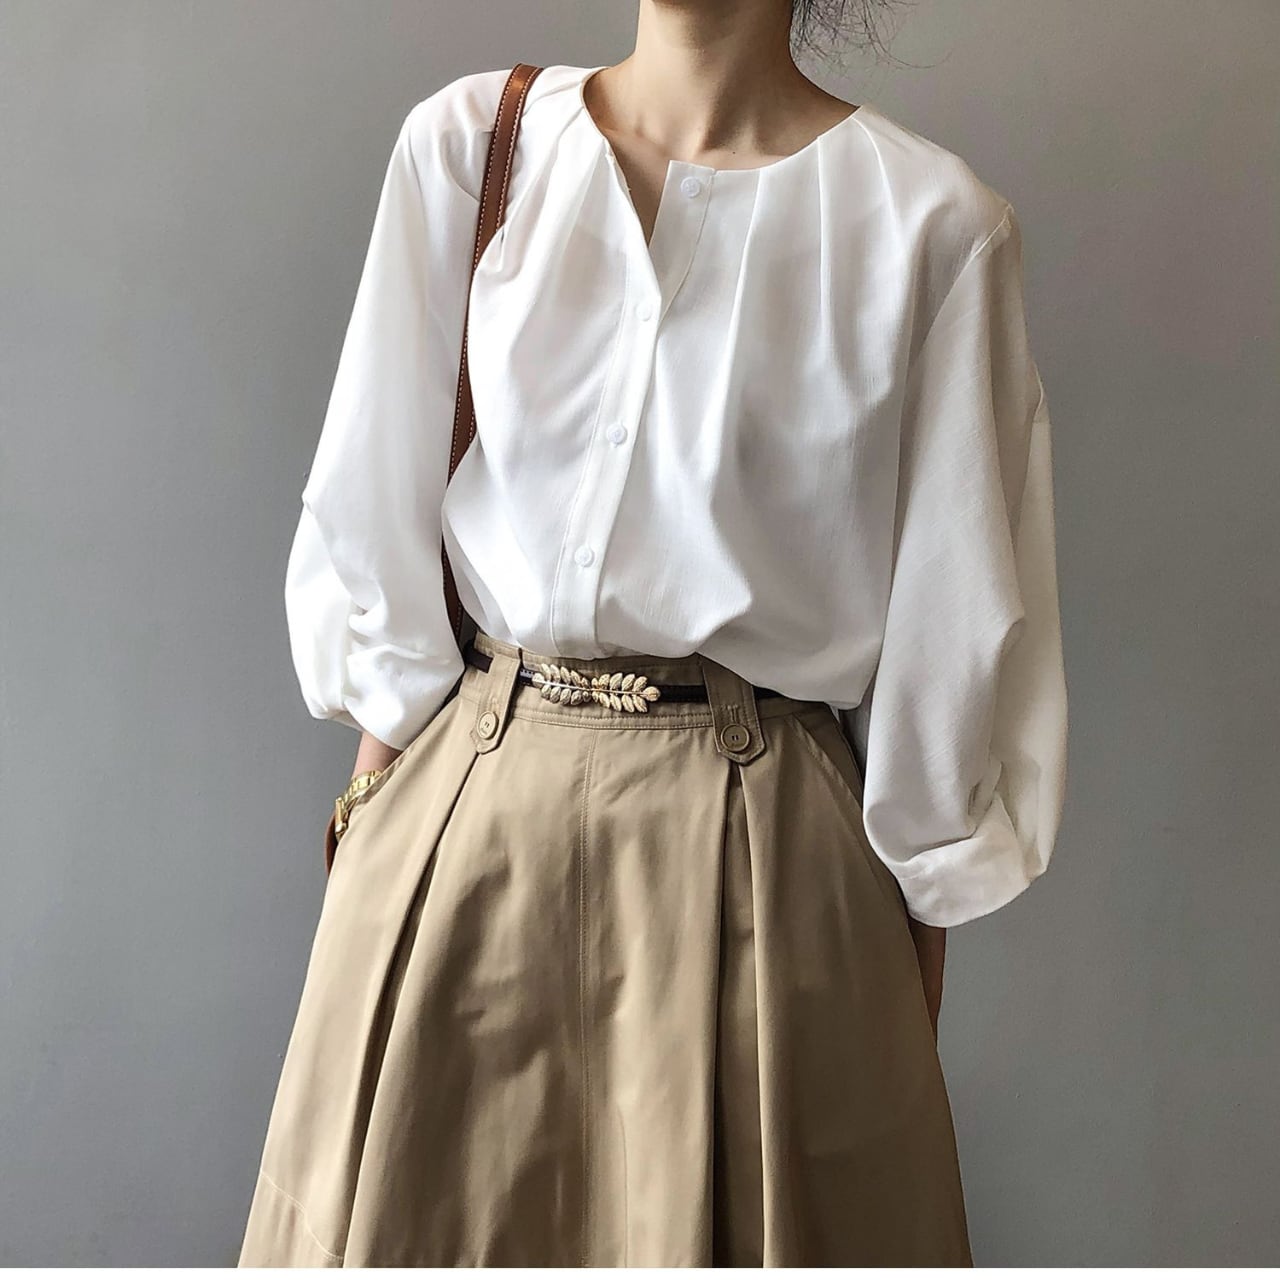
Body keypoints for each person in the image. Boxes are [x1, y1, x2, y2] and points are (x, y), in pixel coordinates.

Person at [238, 1, 1068, 1267]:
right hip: (465, 829)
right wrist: (367, 870)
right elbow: (376, 523)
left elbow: (945, 657)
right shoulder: (471, 148)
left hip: (767, 865)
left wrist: (893, 1038)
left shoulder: (930, 226)